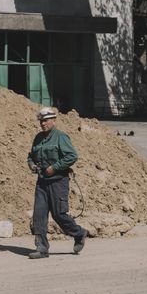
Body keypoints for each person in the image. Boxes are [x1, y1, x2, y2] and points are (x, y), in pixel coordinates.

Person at [26, 106, 87, 259]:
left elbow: (72, 156)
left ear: (54, 120)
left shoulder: (61, 137)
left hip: (58, 181)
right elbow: (31, 156)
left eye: (46, 120)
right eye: (41, 121)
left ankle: (79, 233)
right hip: (42, 182)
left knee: (59, 214)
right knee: (39, 215)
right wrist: (32, 165)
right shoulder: (38, 138)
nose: (43, 124)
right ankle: (41, 248)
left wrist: (55, 167)